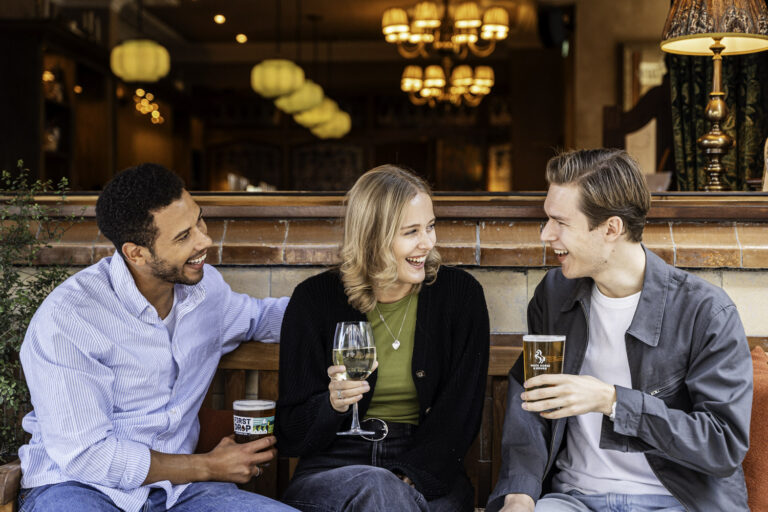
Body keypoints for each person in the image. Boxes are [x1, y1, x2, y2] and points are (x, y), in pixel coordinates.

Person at [17, 163, 295, 512]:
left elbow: (266, 318)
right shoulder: (69, 318)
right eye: (183, 237)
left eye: (199, 221)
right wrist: (209, 466)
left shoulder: (206, 291)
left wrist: (358, 301)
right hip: (78, 489)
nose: (204, 241)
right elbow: (86, 456)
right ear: (136, 254)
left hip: (179, 493)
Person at [487, 149, 753, 512]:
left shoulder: (705, 311)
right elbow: (533, 400)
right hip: (573, 499)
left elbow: (721, 445)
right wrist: (520, 493)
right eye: (546, 219)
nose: (546, 234)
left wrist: (612, 400)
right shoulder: (554, 296)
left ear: (611, 228)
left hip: (675, 501)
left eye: (560, 222)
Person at [276, 164, 490, 511]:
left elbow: (460, 414)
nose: (428, 242)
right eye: (411, 232)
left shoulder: (459, 296)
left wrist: (410, 476)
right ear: (373, 237)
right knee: (378, 488)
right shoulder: (315, 300)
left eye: (431, 226)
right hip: (333, 467)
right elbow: (291, 432)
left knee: (386, 494)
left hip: (424, 465)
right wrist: (332, 404)